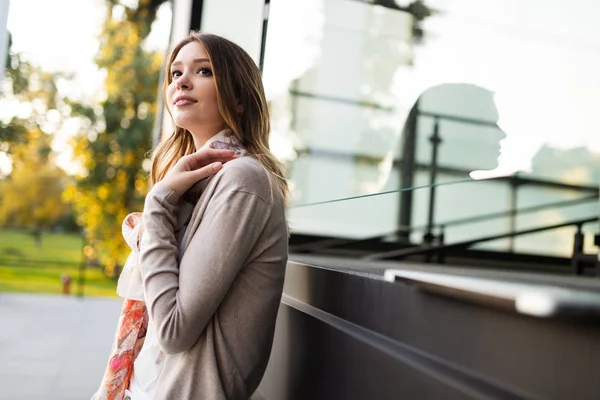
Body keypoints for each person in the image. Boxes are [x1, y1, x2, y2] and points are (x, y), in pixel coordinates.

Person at [92, 31, 289, 400]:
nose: (181, 80)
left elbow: (173, 330)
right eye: (175, 73)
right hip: (144, 386)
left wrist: (158, 207)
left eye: (203, 71)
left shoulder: (241, 179)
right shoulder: (195, 185)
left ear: (240, 99)